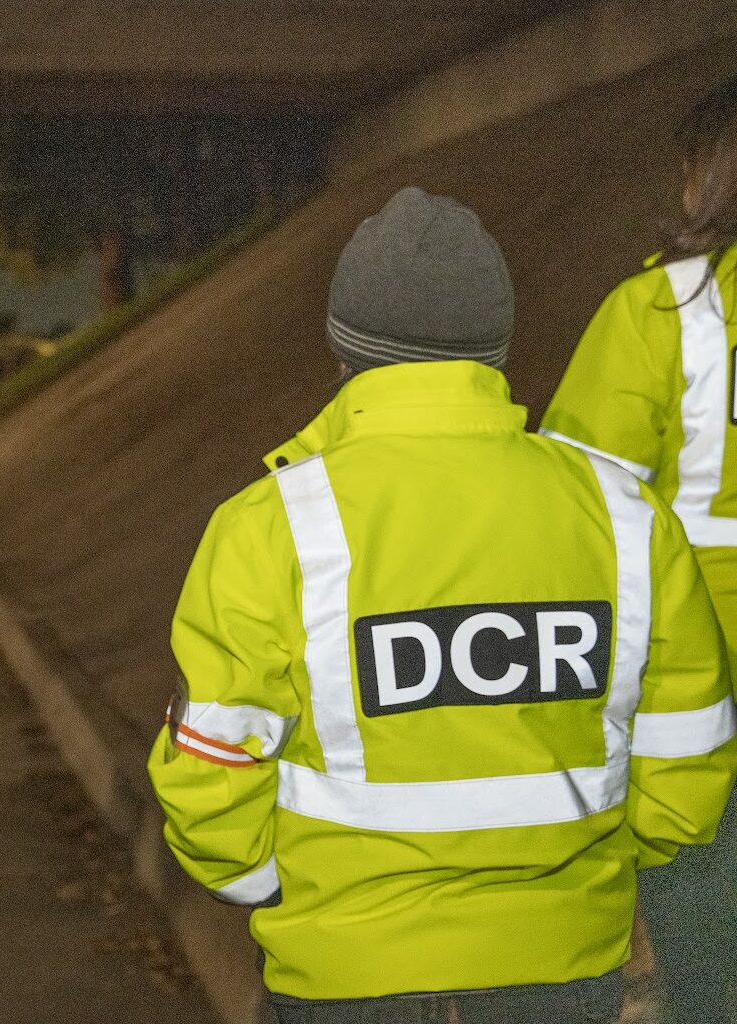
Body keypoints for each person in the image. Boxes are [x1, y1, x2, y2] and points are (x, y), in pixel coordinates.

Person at [148, 186, 737, 1023]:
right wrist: (591, 871)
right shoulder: (625, 516)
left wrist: (277, 886)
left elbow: (211, 775)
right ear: (491, 350)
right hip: (566, 967)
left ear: (344, 348)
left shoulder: (272, 526)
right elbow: (687, 764)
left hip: (347, 974)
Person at [540, 74, 737, 1023]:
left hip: (696, 694)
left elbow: (576, 516)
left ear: (709, 178)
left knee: (709, 949)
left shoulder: (666, 311)